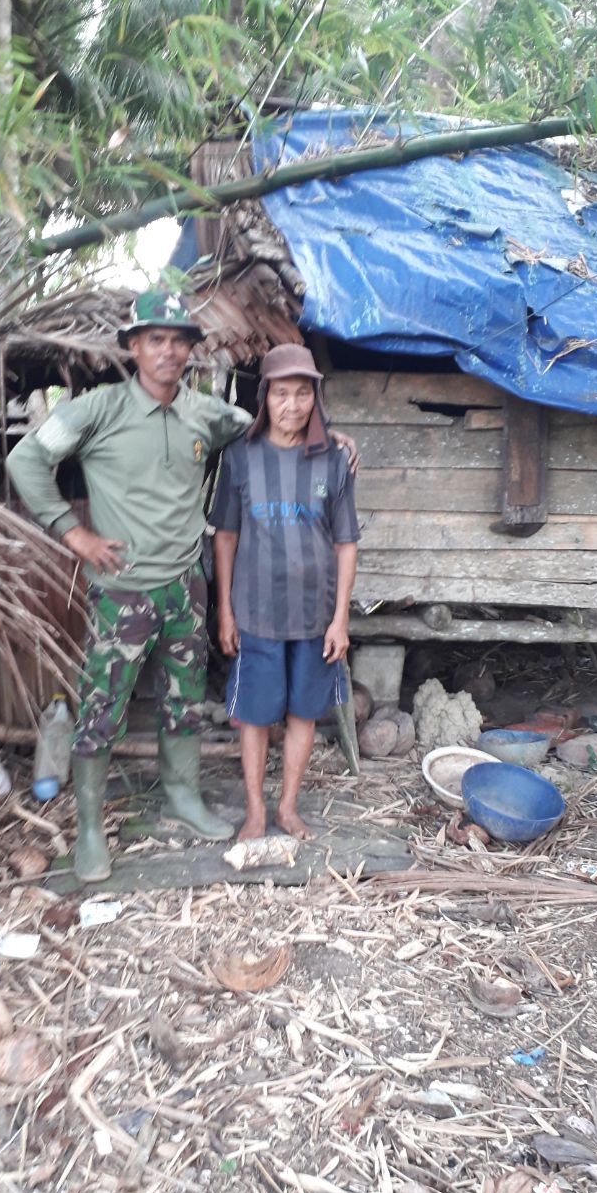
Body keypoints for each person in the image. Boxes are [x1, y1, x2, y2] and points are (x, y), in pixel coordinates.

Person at [6, 292, 357, 882]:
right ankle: (89, 827)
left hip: (186, 586)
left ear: (193, 351)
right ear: (133, 347)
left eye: (179, 341)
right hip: (122, 590)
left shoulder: (207, 415)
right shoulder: (96, 410)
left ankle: (183, 798)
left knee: (183, 701)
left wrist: (333, 435)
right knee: (101, 709)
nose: (168, 351)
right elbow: (24, 460)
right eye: (155, 340)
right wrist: (73, 533)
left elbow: (281, 424)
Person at [211, 344, 359, 842]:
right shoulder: (239, 457)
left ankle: (287, 809)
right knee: (253, 716)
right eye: (281, 393)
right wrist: (225, 610)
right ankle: (255, 810)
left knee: (303, 714)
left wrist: (340, 619)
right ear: (264, 397)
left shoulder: (334, 460)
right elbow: (225, 537)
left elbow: (346, 543)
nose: (291, 405)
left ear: (314, 398)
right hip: (255, 613)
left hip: (315, 618)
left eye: (302, 394)